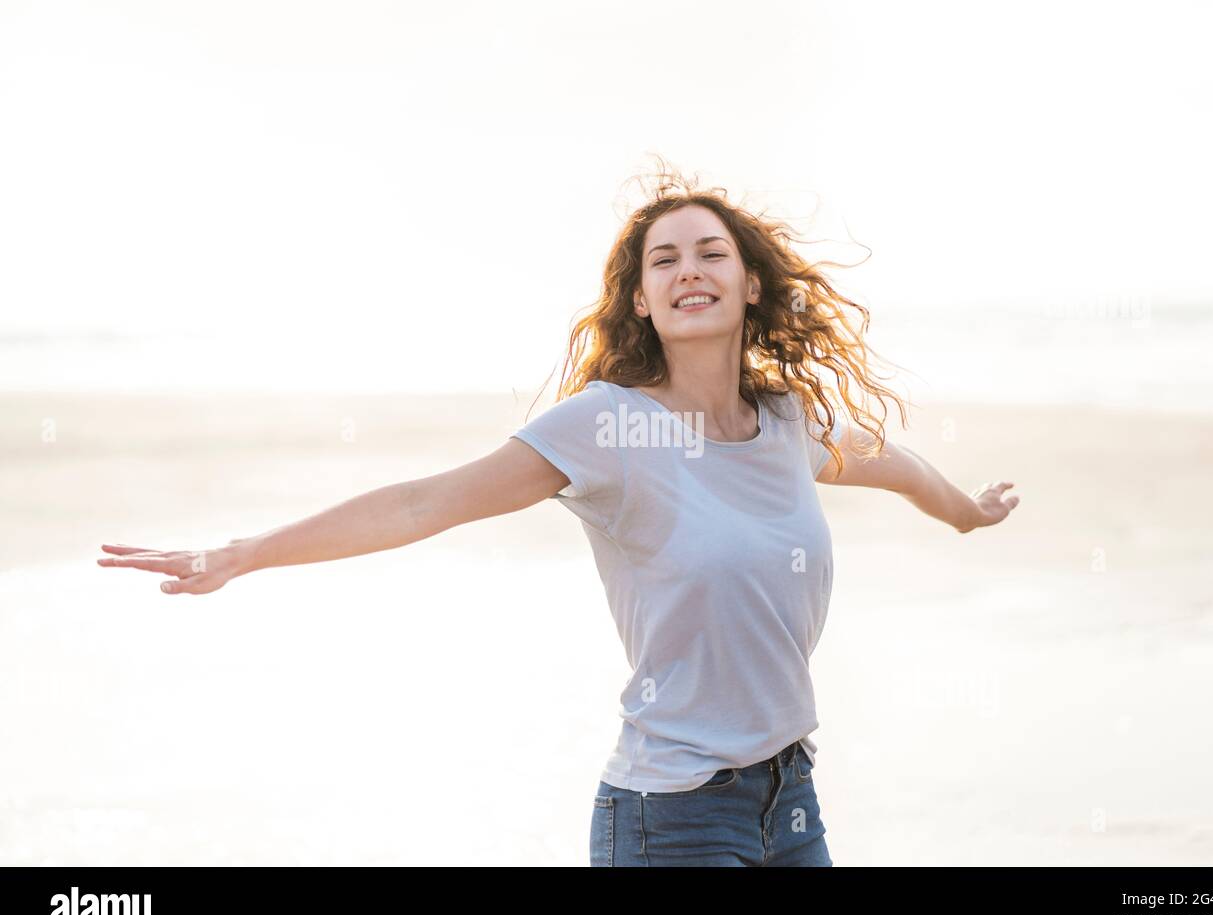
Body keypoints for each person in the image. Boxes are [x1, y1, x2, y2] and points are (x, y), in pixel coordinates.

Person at [97, 162, 1020, 866]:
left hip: (792, 793)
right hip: (676, 814)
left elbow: (893, 464)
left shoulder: (785, 420)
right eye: (664, 260)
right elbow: (427, 500)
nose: (688, 270)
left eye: (711, 253)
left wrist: (964, 514)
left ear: (749, 286)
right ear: (643, 300)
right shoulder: (607, 427)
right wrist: (245, 552)